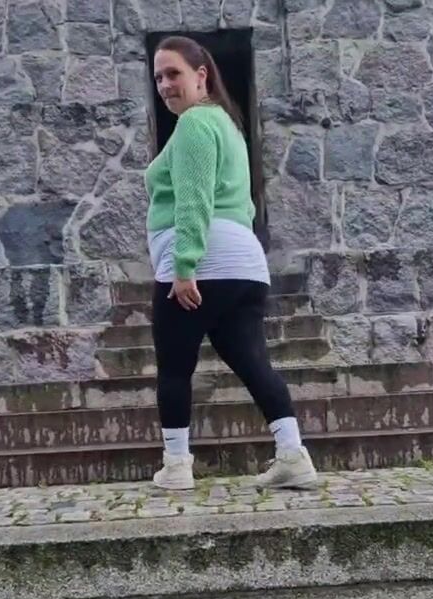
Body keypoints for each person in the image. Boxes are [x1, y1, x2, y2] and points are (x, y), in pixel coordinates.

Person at [144, 35, 318, 492]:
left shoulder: (194, 124)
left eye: (174, 74)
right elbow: (242, 203)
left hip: (204, 262)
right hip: (245, 265)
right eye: (158, 77)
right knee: (254, 363)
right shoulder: (227, 125)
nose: (165, 85)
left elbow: (193, 200)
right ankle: (292, 455)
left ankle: (176, 466)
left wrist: (184, 266)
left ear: (201, 75)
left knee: (175, 368)